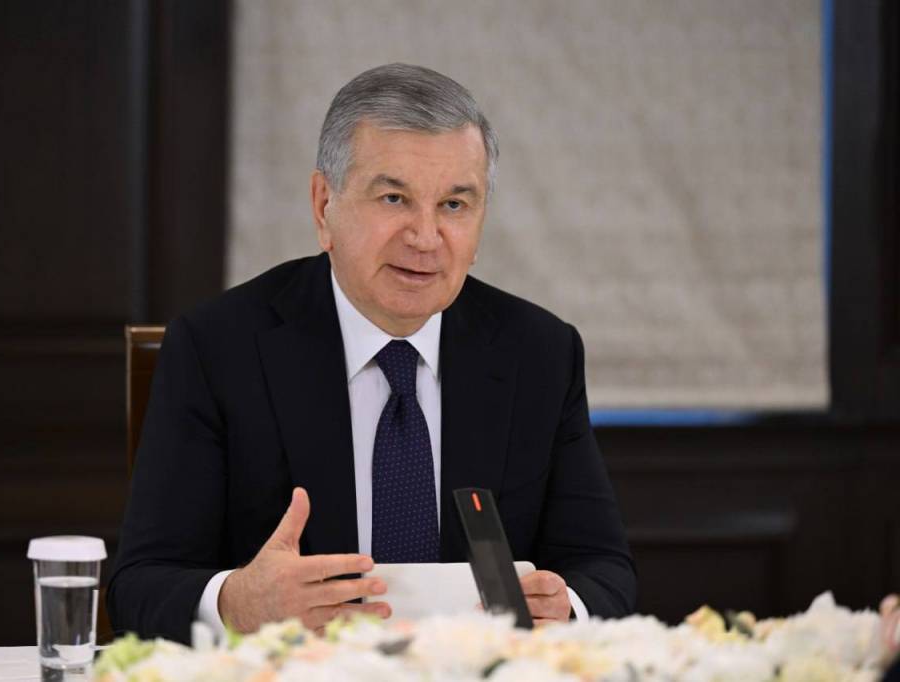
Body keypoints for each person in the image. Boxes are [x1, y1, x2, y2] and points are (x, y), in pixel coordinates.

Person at [107, 63, 636, 644]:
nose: (425, 238)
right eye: (394, 198)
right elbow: (140, 586)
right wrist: (237, 603)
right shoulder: (218, 348)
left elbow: (603, 569)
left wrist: (566, 609)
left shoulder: (539, 353)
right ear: (323, 206)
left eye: (454, 206)